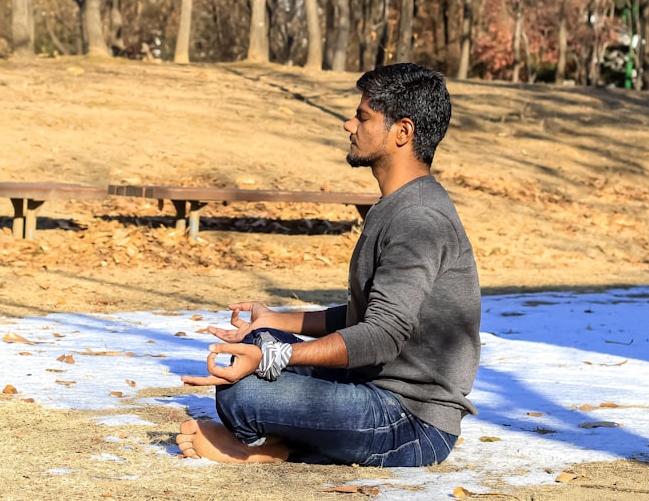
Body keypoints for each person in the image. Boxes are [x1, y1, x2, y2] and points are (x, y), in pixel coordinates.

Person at [175, 63, 481, 466]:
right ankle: (287, 439)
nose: (349, 124)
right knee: (256, 343)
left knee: (244, 392)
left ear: (402, 132)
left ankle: (275, 450)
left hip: (411, 422)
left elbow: (382, 335)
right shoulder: (398, 205)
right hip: (368, 383)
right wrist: (276, 322)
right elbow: (369, 316)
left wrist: (278, 358)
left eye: (363, 117)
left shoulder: (419, 218)